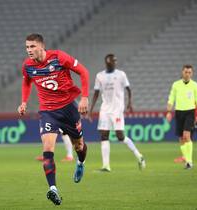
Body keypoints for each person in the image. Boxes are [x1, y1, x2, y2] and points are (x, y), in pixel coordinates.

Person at [17, 33, 89, 205]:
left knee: (79, 145)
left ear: (42, 46)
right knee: (48, 149)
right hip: (48, 112)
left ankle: (80, 162)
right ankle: (53, 189)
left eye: (32, 46)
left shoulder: (58, 57)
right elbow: (26, 82)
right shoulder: (27, 66)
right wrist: (24, 102)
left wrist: (85, 97)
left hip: (68, 109)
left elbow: (83, 71)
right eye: (27, 47)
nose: (29, 50)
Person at [88, 54, 145, 172]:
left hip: (117, 110)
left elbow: (128, 89)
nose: (114, 63)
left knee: (120, 136)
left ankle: (139, 156)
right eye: (112, 61)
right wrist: (90, 109)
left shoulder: (121, 75)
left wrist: (130, 103)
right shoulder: (100, 76)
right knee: (104, 136)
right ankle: (106, 166)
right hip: (105, 110)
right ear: (107, 62)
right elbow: (96, 93)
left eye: (115, 61)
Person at [166, 64, 197, 169]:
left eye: (190, 72)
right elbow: (171, 98)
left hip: (190, 112)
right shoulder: (176, 85)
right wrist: (168, 112)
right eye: (186, 72)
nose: (187, 74)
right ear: (182, 72)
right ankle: (187, 161)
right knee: (181, 139)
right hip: (179, 112)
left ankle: (189, 161)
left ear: (192, 73)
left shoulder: (195, 85)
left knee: (187, 136)